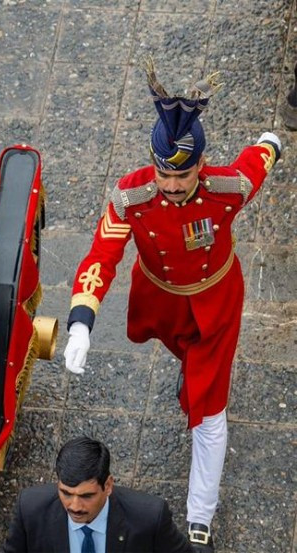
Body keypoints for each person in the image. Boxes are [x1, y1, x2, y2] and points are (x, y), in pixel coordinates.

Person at [62, 61, 281, 552]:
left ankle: (200, 515)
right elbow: (101, 255)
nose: (173, 186)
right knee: (188, 363)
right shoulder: (130, 197)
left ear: (201, 165)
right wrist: (81, 320)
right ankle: (190, 371)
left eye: (183, 175)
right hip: (161, 299)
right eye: (164, 173)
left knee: (210, 412)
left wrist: (272, 142)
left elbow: (257, 163)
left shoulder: (229, 189)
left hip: (216, 303)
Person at [3, 436, 191, 553]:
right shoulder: (30, 509)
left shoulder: (150, 517)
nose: (74, 506)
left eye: (86, 496)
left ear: (108, 485)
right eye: (66, 493)